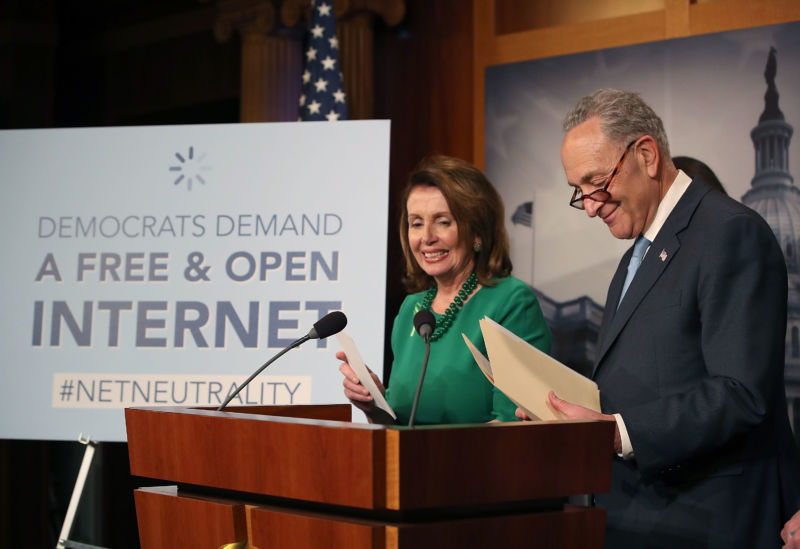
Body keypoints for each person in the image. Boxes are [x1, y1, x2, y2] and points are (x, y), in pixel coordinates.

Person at [517, 88, 800, 548]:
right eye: (578, 191)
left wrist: (617, 432)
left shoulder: (731, 232)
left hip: (705, 521)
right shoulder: (636, 257)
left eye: (596, 182)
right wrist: (559, 413)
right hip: (640, 516)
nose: (588, 205)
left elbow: (740, 393)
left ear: (646, 154)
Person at [338, 155, 552, 425]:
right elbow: (403, 423)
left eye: (443, 221)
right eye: (416, 223)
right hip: (408, 465)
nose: (427, 237)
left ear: (477, 232)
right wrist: (375, 404)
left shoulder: (512, 302)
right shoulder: (410, 310)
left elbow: (513, 426)